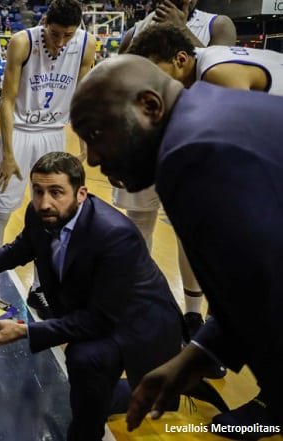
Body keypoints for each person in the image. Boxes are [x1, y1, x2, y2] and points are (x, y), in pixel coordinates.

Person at [70, 54, 283, 437]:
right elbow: (254, 288)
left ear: (150, 106)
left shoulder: (190, 156)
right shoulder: (211, 110)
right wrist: (196, 358)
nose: (94, 158)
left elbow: (271, 305)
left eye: (97, 134)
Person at [0, 152, 186, 441]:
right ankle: (126, 397)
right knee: (90, 391)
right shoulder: (40, 214)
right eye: (38, 191)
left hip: (139, 325)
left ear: (81, 194)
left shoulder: (114, 234)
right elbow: (18, 250)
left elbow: (98, 321)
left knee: (84, 358)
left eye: (56, 192)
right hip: (101, 309)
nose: (44, 202)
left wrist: (26, 331)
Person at [114, 0, 236, 337]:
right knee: (138, 225)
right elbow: (120, 88)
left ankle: (193, 314)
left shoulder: (218, 25)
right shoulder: (136, 31)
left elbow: (222, 75)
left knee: (190, 233)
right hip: (147, 142)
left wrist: (182, 30)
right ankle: (138, 301)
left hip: (194, 144)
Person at [0, 0, 95, 303]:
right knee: (1, 213)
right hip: (19, 132)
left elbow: (82, 97)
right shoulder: (22, 42)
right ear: (44, 23)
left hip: (53, 134)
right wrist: (8, 153)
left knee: (52, 215)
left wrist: (84, 140)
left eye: (68, 35)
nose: (61, 41)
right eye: (55, 34)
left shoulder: (86, 45)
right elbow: (6, 100)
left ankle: (40, 287)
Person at [128, 22, 283, 95]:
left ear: (180, 60)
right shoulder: (203, 57)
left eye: (154, 72)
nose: (151, 81)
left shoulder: (216, 73)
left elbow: (241, 130)